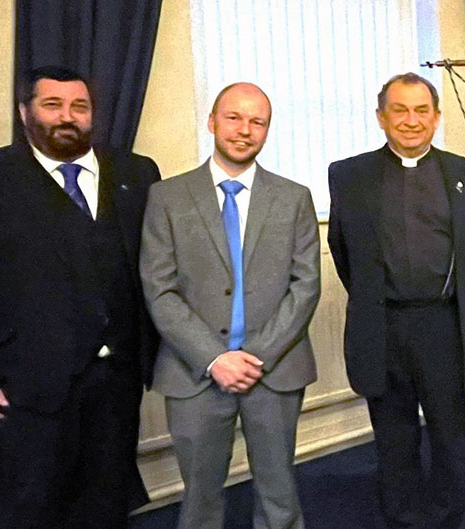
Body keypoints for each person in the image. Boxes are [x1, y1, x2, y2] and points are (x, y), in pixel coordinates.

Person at [0, 65, 159, 529]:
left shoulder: (137, 172)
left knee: (106, 504)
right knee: (27, 510)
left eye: (79, 106)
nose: (67, 117)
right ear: (25, 112)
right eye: (52, 105)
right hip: (27, 381)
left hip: (117, 379)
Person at [141, 82, 321, 529]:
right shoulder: (167, 197)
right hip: (194, 372)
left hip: (274, 371)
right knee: (200, 499)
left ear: (267, 130)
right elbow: (158, 289)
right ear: (212, 122)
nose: (245, 130)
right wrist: (215, 358)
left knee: (279, 493)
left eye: (257, 121)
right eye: (234, 118)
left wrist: (254, 357)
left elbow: (306, 286)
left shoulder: (294, 197)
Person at [327, 72, 465, 529]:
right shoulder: (348, 175)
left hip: (446, 326)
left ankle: (456, 520)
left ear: (437, 117)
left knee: (453, 437)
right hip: (382, 325)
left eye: (422, 111)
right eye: (400, 110)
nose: (411, 121)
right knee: (393, 440)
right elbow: (343, 251)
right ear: (382, 117)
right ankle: (402, 520)